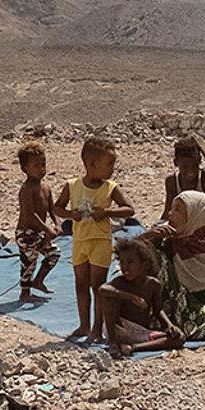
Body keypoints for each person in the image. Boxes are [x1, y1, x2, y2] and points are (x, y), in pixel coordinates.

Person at [58, 136, 133, 343]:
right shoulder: (72, 185)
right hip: (79, 241)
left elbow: (129, 210)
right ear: (91, 164)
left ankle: (97, 328)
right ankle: (83, 324)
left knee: (98, 286)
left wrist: (107, 213)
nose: (112, 168)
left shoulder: (110, 187)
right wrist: (70, 215)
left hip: (100, 241)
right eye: (109, 164)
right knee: (80, 284)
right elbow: (57, 208)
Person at [148, 190, 205, 341]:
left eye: (177, 210)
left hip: (194, 306)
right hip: (163, 308)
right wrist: (149, 237)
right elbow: (128, 253)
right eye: (171, 209)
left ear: (195, 216)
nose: (170, 214)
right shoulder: (164, 234)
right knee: (156, 256)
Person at [98, 237, 184, 357]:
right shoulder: (120, 283)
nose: (125, 267)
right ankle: (113, 343)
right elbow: (102, 290)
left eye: (130, 262)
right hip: (118, 328)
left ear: (145, 265)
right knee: (110, 297)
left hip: (141, 332)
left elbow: (158, 310)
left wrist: (170, 325)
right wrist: (132, 297)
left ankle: (133, 348)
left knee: (179, 338)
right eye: (122, 262)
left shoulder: (153, 284)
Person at [14, 141, 62, 303]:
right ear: (24, 169)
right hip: (26, 233)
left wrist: (57, 223)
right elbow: (30, 214)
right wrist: (47, 229)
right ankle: (25, 292)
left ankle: (39, 281)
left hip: (41, 231)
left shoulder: (46, 188)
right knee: (29, 261)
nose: (42, 168)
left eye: (43, 164)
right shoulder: (26, 189)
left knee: (54, 254)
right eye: (36, 165)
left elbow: (52, 209)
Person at [159, 136, 205, 221]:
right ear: (176, 163)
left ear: (200, 161)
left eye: (195, 165)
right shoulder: (172, 182)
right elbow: (168, 211)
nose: (190, 170)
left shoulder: (204, 178)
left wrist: (204, 148)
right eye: (184, 166)